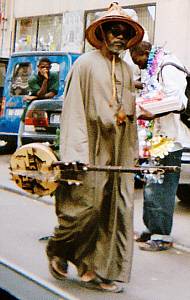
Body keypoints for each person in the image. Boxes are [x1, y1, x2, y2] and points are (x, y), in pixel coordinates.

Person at [46, 2, 144, 293]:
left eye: (125, 34)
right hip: (88, 149)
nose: (120, 38)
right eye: (115, 31)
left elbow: (125, 113)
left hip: (117, 150)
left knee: (113, 211)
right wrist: (75, 154)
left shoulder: (127, 69)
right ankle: (59, 248)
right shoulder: (85, 64)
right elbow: (74, 109)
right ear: (102, 32)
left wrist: (134, 138)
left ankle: (96, 270)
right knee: (84, 207)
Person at [130, 41, 190, 251]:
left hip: (171, 139)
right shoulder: (157, 67)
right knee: (151, 184)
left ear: (146, 53)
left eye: (137, 60)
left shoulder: (168, 66)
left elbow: (178, 101)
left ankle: (162, 235)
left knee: (162, 187)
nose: (138, 66)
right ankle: (151, 228)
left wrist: (151, 111)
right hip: (157, 137)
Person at [17, 57, 59, 148]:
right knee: (23, 139)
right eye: (42, 67)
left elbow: (52, 93)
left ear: (50, 68)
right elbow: (41, 94)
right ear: (38, 67)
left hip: (47, 110)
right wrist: (45, 80)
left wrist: (34, 97)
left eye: (47, 67)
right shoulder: (32, 79)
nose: (45, 69)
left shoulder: (54, 75)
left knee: (50, 140)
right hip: (32, 111)